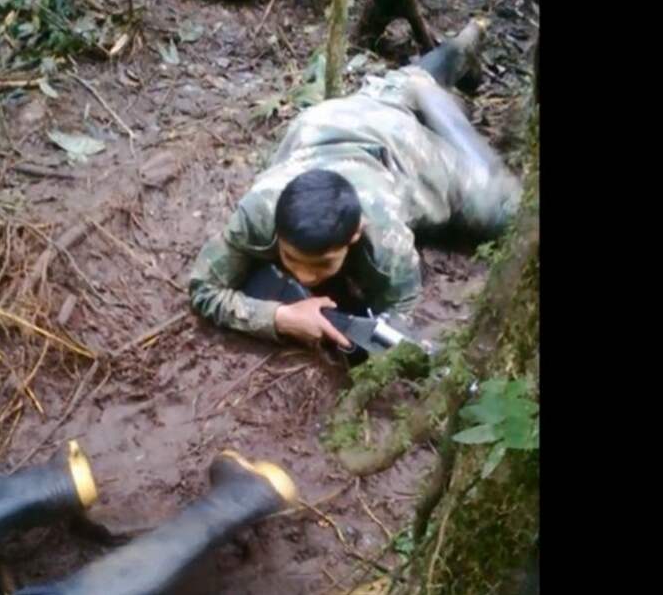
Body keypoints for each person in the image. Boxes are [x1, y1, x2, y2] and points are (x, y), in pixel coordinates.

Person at [188, 19, 521, 349]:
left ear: (355, 234)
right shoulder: (259, 212)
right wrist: (280, 318)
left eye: (322, 264)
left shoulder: (388, 244)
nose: (304, 276)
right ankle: (457, 47)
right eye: (290, 257)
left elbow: (396, 326)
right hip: (344, 117)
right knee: (408, 83)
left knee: (512, 212)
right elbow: (203, 287)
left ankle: (456, 60)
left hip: (408, 149)